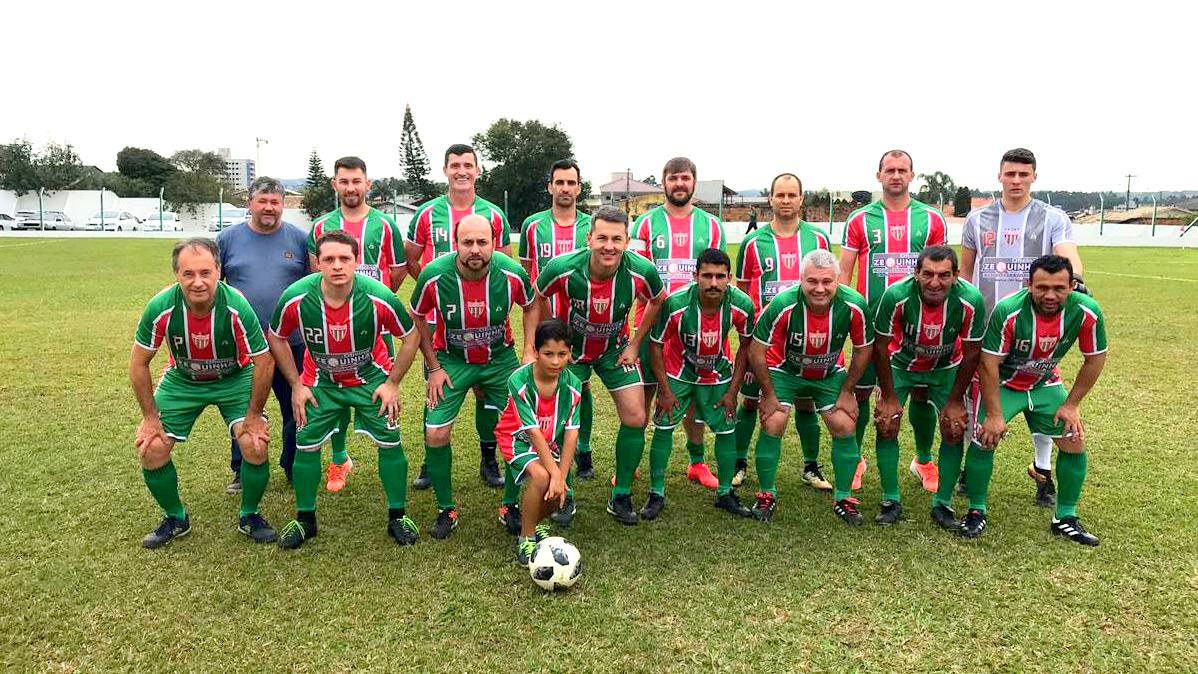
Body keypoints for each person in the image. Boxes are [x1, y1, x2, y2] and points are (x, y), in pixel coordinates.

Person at [267, 231, 421, 549]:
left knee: (391, 444)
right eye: (329, 259)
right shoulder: (296, 296)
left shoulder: (378, 296)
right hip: (319, 383)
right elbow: (276, 335)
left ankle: (398, 516)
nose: (337, 266)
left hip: (370, 381)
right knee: (305, 445)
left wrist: (392, 383)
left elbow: (410, 335)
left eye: (344, 259)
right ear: (317, 264)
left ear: (356, 262)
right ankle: (305, 519)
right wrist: (296, 384)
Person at [960, 148, 1087, 507]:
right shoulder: (977, 220)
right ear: (999, 175)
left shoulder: (1052, 218)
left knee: (1040, 393)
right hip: (989, 327)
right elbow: (967, 274)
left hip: (1038, 329)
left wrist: (1075, 278)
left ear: (1034, 177)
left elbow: (1068, 255)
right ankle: (972, 471)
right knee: (980, 396)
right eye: (1010, 174)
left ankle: (1042, 471)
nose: (1016, 180)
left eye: (1023, 174)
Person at [130, 238, 275, 548]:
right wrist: (150, 417)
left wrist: (252, 417)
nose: (198, 282)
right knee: (151, 447)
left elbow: (263, 362)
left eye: (206, 273)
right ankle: (175, 518)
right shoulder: (161, 307)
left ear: (218, 272)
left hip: (235, 377)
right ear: (177, 275)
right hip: (183, 380)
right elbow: (139, 364)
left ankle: (250, 515)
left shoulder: (236, 305)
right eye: (188, 274)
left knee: (254, 443)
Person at [961, 255, 1106, 545]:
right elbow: (988, 365)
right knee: (984, 438)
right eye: (1041, 287)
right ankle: (976, 510)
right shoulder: (1009, 310)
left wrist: (1071, 404)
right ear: (1028, 285)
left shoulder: (1087, 311)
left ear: (1072, 285)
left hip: (1044, 383)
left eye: (1059, 288)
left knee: (1073, 441)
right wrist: (993, 414)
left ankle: (1065, 517)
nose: (1050, 295)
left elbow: (1095, 359)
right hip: (1004, 382)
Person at [534, 206, 665, 525]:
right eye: (602, 237)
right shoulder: (563, 267)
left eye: (617, 239)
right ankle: (563, 491)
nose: (609, 245)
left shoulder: (641, 270)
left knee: (636, 416)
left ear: (627, 241)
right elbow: (537, 295)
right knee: (561, 420)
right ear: (589, 238)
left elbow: (658, 299)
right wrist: (547, 342)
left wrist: (635, 343)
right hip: (571, 353)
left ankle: (621, 494)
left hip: (615, 351)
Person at [409, 215, 538, 540]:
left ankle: (510, 505)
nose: (475, 249)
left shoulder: (511, 273)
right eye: (468, 243)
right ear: (456, 244)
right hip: (451, 361)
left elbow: (532, 305)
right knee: (436, 433)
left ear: (495, 243)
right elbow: (418, 317)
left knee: (521, 429)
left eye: (483, 242)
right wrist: (434, 367)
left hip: (500, 359)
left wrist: (528, 352)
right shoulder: (434, 275)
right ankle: (446, 509)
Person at [839, 150, 949, 493]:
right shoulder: (859, 220)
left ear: (912, 176)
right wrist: (844, 316)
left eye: (903, 170)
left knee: (920, 393)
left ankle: (923, 460)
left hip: (918, 327)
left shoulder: (932, 219)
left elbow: (940, 273)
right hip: (871, 327)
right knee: (859, 394)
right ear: (879, 175)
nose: (896, 176)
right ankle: (856, 458)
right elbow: (844, 271)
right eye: (890, 170)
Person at [405, 143, 512, 490]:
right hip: (441, 322)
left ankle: (489, 455)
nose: (462, 170)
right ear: (446, 170)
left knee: (486, 392)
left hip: (488, 325)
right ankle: (428, 458)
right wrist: (440, 293)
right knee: (434, 388)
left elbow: (506, 270)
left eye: (468, 164)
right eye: (455, 165)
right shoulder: (426, 213)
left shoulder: (494, 214)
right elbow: (412, 259)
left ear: (478, 171)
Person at [748, 249, 873, 525]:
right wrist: (768, 394)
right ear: (800, 279)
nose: (819, 288)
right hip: (786, 370)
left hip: (828, 373)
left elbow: (864, 350)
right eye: (812, 281)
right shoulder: (782, 304)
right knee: (774, 420)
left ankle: (843, 497)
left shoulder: (854, 305)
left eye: (827, 282)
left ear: (838, 281)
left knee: (845, 423)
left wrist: (847, 391)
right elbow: (757, 350)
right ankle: (766, 493)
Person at [306, 156, 406, 495]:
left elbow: (397, 270)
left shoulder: (385, 225)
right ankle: (339, 458)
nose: (351, 187)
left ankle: (389, 456)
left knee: (382, 392)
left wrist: (373, 304)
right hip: (329, 326)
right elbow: (311, 275)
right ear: (335, 184)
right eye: (344, 181)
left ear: (368, 185)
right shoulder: (320, 226)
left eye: (356, 181)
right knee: (333, 390)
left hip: (373, 328)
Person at [870, 246, 986, 526]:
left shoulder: (970, 299)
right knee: (887, 423)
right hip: (902, 364)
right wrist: (886, 395)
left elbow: (972, 353)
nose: (935, 283)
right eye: (928, 274)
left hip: (946, 367)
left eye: (944, 275)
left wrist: (956, 400)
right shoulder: (896, 295)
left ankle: (942, 504)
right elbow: (880, 346)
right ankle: (890, 500)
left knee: (955, 428)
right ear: (916, 274)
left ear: (956, 275)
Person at [630, 157, 726, 490]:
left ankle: (697, 463)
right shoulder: (644, 224)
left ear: (694, 182)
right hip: (652, 321)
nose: (680, 184)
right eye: (674, 178)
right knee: (642, 394)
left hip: (697, 327)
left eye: (685, 178)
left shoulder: (711, 226)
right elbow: (636, 277)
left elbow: (718, 276)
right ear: (664, 182)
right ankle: (632, 462)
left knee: (696, 395)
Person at [734, 173, 832, 491]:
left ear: (802, 199)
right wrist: (748, 337)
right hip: (765, 341)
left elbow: (827, 286)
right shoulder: (752, 243)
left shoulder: (818, 240)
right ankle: (738, 462)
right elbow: (744, 294)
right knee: (749, 401)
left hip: (807, 339)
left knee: (806, 403)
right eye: (781, 194)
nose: (786, 200)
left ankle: (811, 466)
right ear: (771, 199)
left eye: (792, 195)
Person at [646, 248, 757, 519]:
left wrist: (733, 391)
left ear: (729, 278)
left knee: (726, 429)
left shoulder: (742, 304)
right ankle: (656, 493)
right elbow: (656, 344)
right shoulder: (676, 303)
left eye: (720, 276)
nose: (714, 282)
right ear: (695, 275)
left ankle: (725, 493)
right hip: (678, 370)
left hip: (717, 372)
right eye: (707, 276)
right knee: (664, 426)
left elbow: (745, 347)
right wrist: (665, 390)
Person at [516, 159, 596, 524]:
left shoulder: (589, 227)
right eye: (559, 182)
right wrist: (529, 343)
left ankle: (584, 450)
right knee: (547, 393)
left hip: (582, 322)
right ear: (549, 187)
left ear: (580, 188)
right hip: (547, 326)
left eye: (572, 183)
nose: (565, 188)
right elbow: (530, 286)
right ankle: (543, 474)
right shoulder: (533, 225)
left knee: (578, 390)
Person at [220, 176, 310, 491]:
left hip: (292, 342)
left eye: (275, 201)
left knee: (296, 406)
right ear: (250, 202)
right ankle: (243, 469)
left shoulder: (300, 239)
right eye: (263, 201)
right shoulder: (227, 240)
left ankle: (294, 464)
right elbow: (215, 290)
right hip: (245, 346)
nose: (269, 208)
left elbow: (313, 289)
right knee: (245, 407)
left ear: (283, 204)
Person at [495, 320, 583, 564]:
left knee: (557, 493)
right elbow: (532, 431)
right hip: (517, 438)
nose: (555, 361)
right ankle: (526, 538)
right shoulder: (519, 380)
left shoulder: (574, 386)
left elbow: (571, 433)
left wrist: (562, 477)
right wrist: (554, 473)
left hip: (548, 442)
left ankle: (531, 524)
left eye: (562, 354)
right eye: (548, 354)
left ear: (570, 354)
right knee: (543, 478)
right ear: (535, 352)